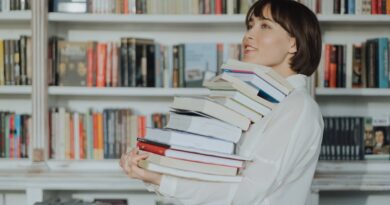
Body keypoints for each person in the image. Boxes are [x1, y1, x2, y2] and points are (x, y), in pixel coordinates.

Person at [120, 0, 324, 204]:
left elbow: (247, 192)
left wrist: (161, 179)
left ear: (293, 43)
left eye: (265, 26)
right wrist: (151, 169)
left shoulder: (298, 107)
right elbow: (216, 176)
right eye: (250, 26)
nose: (249, 35)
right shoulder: (256, 101)